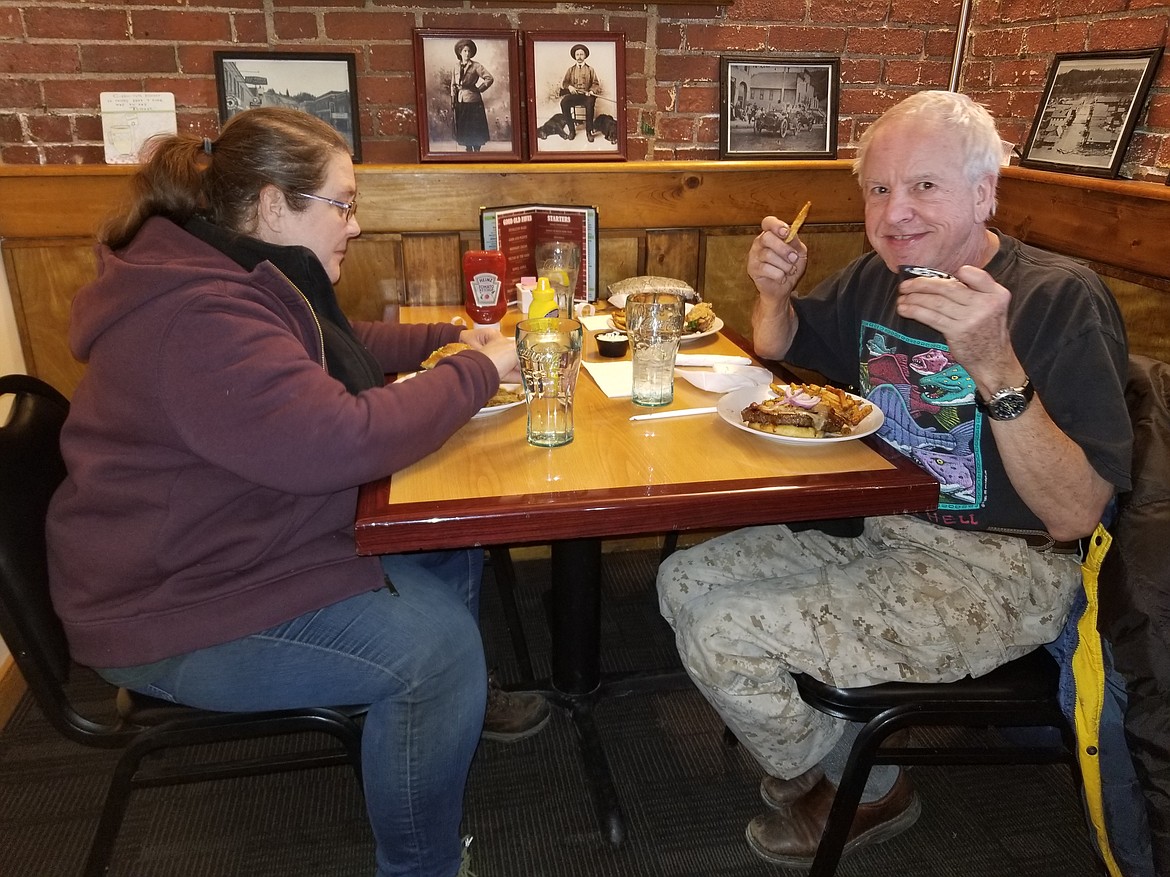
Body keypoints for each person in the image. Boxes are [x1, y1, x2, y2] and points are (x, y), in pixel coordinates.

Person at [45, 107, 548, 877]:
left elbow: (328, 341)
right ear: (276, 204)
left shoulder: (228, 272)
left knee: (446, 533)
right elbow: (339, 440)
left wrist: (444, 339)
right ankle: (421, 860)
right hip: (172, 607)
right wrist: (476, 371)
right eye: (342, 204)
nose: (355, 224)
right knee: (438, 652)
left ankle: (450, 713)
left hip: (223, 544)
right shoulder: (200, 313)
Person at [657, 90, 1132, 867]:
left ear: (985, 192)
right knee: (679, 578)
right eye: (879, 189)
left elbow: (1078, 512)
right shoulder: (883, 278)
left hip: (1008, 570)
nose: (895, 211)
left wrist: (994, 364)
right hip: (886, 531)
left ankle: (868, 785)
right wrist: (773, 293)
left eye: (925, 186)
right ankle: (837, 759)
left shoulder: (1056, 298)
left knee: (722, 634)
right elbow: (784, 343)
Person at [450, 38, 494, 152]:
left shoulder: (476, 66)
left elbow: (489, 78)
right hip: (460, 100)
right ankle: (468, 148)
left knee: (475, 126)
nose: (467, 53)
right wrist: (453, 99)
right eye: (465, 51)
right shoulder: (455, 66)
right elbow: (453, 84)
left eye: (469, 51)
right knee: (464, 125)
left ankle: (477, 148)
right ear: (460, 52)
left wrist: (479, 89)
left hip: (473, 101)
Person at [560, 43, 600, 142]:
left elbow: (596, 83)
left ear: (585, 56)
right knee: (564, 103)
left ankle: (589, 131)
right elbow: (565, 82)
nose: (579, 57)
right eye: (577, 55)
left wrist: (591, 91)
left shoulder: (590, 69)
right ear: (575, 56)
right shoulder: (571, 70)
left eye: (581, 54)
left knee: (590, 104)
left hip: (587, 96)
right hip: (575, 96)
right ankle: (571, 130)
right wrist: (569, 87)